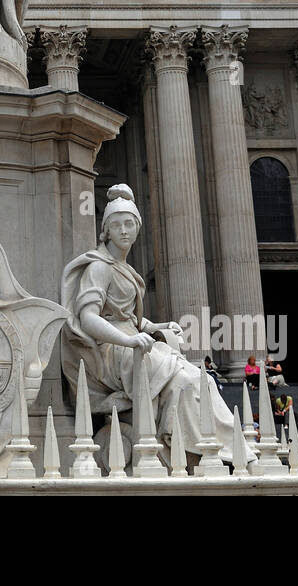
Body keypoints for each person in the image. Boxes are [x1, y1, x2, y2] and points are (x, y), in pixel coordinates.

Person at [61, 184, 255, 468]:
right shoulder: (99, 267)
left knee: (202, 380)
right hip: (112, 352)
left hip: (134, 343)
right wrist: (127, 341)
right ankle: (211, 450)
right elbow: (88, 317)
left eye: (129, 224)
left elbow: (133, 320)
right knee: (186, 380)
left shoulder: (126, 270)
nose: (124, 230)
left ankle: (220, 451)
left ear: (137, 229)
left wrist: (160, 326)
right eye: (116, 225)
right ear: (106, 231)